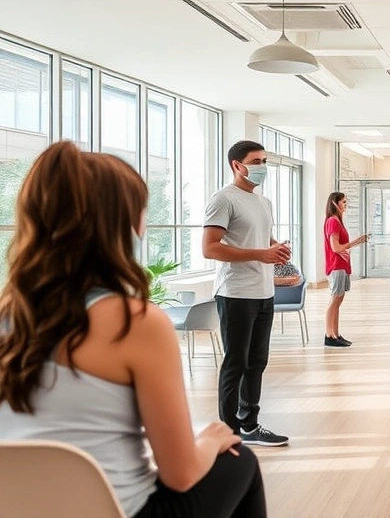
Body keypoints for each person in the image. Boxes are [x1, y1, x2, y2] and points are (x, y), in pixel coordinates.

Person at [0, 142, 266, 518]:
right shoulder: (133, 322)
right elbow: (181, 475)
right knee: (240, 459)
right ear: (121, 223)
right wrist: (209, 440)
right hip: (117, 510)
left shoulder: (9, 311)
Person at [202, 140, 290, 447]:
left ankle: (250, 425)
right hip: (235, 293)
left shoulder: (264, 202)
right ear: (237, 165)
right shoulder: (223, 199)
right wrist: (260, 254)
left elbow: (263, 239)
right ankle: (229, 433)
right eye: (256, 161)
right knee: (235, 363)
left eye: (265, 161)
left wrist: (276, 250)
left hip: (263, 292)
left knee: (257, 362)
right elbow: (210, 248)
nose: (262, 167)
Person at [323, 192, 367, 348]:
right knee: (335, 300)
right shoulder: (333, 222)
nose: (345, 204)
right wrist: (356, 241)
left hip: (342, 266)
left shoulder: (337, 222)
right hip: (336, 266)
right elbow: (336, 247)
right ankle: (329, 336)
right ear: (335, 203)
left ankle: (335, 334)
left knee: (338, 301)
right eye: (343, 202)